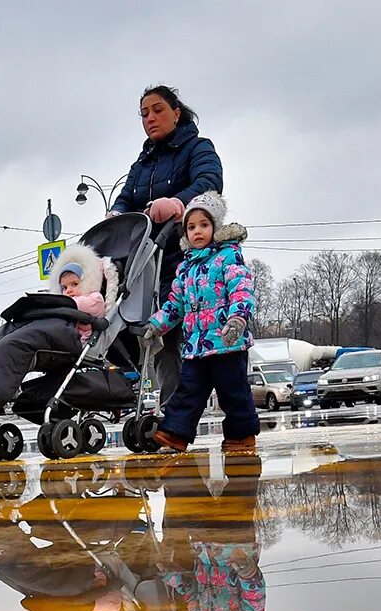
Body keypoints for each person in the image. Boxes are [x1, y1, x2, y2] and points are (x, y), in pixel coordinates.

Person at [109, 85, 224, 408]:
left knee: (194, 338)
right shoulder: (143, 163)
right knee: (160, 338)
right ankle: (172, 413)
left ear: (176, 112)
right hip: (151, 263)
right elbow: (127, 196)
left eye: (157, 110)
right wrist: (116, 213)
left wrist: (177, 203)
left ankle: (218, 407)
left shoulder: (197, 148)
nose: (150, 118)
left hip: (191, 259)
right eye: (144, 114)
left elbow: (209, 181)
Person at [144, 192, 259, 453]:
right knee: (188, 392)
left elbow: (241, 289)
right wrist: (156, 324)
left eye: (204, 225)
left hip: (227, 342)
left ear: (215, 227)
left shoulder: (228, 256)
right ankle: (176, 432)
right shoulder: (185, 268)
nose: (198, 232)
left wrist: (238, 318)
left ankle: (241, 436)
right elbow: (175, 304)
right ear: (185, 233)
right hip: (196, 346)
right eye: (191, 227)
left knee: (234, 392)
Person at [46, 244, 112, 343]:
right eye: (64, 287)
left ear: (86, 281)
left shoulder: (94, 298)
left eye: (74, 284)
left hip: (78, 341)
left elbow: (74, 303)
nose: (68, 290)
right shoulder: (65, 303)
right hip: (63, 338)